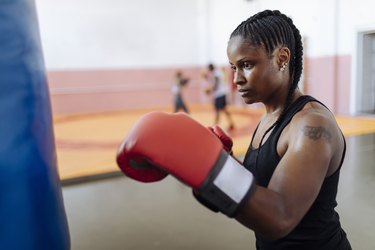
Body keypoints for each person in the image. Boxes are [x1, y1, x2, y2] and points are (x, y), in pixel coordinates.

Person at [117, 9, 352, 250]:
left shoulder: (311, 125)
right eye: (233, 67)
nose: (236, 79)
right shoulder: (270, 117)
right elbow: (263, 187)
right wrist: (224, 162)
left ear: (282, 58)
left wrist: (212, 170)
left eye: (246, 65)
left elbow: (279, 216)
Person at [205, 63, 235, 130]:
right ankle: (231, 124)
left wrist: (209, 91)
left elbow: (216, 84)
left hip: (219, 95)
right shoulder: (217, 73)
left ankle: (215, 126)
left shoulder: (215, 74)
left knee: (217, 110)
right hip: (222, 94)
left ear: (210, 68)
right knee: (224, 109)